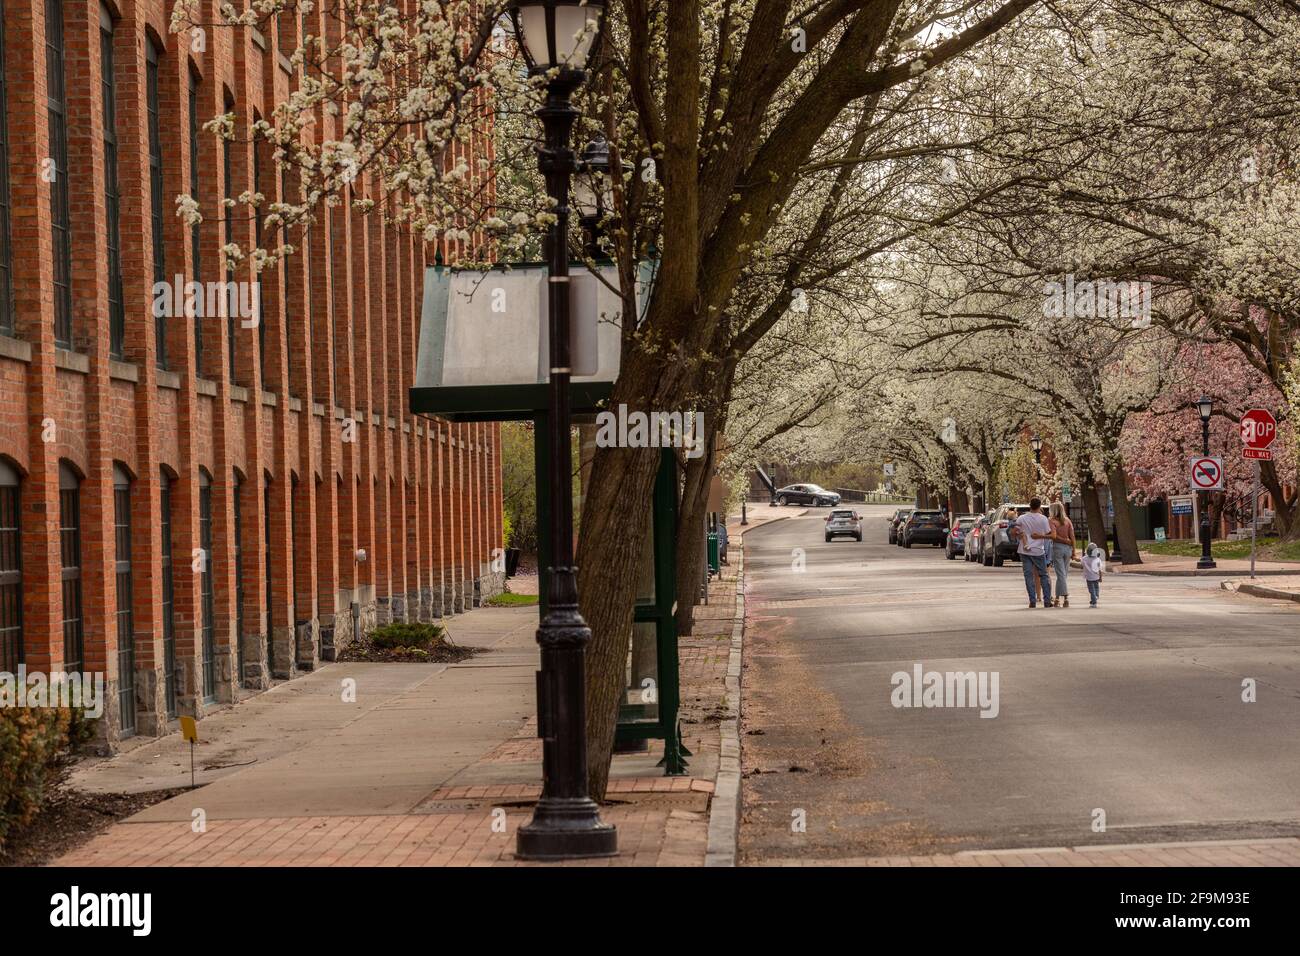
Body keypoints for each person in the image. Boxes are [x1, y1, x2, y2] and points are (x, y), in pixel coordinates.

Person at [1012, 497, 1053, 609]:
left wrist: (1019, 535)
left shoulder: (1022, 518)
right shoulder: (1043, 519)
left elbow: (1014, 532)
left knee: (1028, 575)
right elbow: (1049, 533)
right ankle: (1047, 600)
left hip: (1024, 551)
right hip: (1038, 550)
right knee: (1043, 575)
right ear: (1039, 506)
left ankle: (1032, 600)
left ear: (1030, 506)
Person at [1047, 501, 1076, 608]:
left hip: (1057, 548)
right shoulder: (1067, 521)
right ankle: (1058, 599)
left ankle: (1065, 597)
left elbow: (1053, 536)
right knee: (1063, 574)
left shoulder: (1051, 521)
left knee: (1061, 574)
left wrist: (1063, 540)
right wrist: (1073, 550)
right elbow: (1072, 536)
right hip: (1067, 549)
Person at [1082, 542, 1105, 607]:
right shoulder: (1098, 559)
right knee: (1096, 587)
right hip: (1096, 577)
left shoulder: (1084, 559)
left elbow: (1081, 564)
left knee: (1091, 590)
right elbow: (1100, 569)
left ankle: (1094, 602)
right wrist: (1100, 577)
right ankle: (1096, 596)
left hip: (1089, 577)